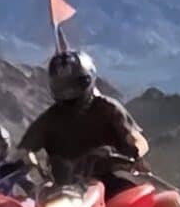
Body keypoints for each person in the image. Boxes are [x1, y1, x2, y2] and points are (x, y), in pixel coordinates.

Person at [17, 49, 149, 186]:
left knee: (137, 199)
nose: (69, 92)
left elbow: (137, 138)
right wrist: (23, 160)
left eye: (75, 85)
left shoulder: (108, 108)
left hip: (111, 178)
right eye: (62, 86)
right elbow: (24, 149)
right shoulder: (50, 118)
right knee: (35, 203)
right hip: (66, 189)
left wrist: (137, 150)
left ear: (89, 79)